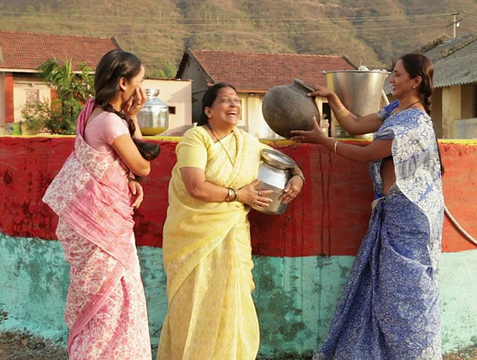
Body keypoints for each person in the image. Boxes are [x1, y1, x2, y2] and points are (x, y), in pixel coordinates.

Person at [292, 53, 444, 359]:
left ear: (415, 81)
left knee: (408, 291)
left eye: (398, 75)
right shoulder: (395, 110)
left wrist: (322, 142)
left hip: (412, 217)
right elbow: (357, 123)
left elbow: (368, 153)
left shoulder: (414, 123)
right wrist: (334, 98)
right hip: (392, 211)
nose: (392, 78)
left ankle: (417, 352)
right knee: (384, 288)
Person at [157, 82, 306, 359]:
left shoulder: (247, 142)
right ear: (209, 110)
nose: (234, 105)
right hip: (192, 237)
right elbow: (195, 186)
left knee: (233, 304)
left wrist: (298, 176)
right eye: (226, 100)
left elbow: (285, 161)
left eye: (237, 100)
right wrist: (240, 194)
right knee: (192, 305)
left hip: (233, 236)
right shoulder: (196, 138)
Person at [43, 49, 158, 359]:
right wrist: (134, 117)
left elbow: (112, 164)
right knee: (113, 303)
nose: (142, 89)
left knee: (106, 300)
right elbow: (143, 164)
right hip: (100, 229)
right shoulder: (110, 122)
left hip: (91, 222)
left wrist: (127, 177)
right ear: (124, 83)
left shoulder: (91, 111)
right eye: (140, 81)